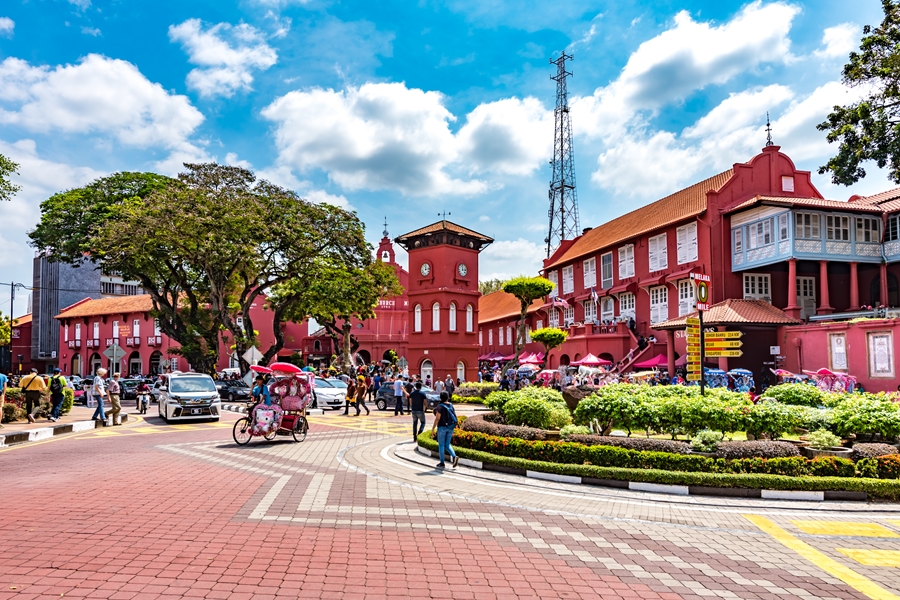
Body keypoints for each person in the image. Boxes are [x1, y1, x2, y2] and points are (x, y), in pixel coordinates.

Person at [431, 392, 458, 469]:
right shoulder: (451, 405)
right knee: (447, 444)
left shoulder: (440, 406)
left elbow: (437, 418)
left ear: (440, 397)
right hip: (450, 427)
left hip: (442, 427)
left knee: (441, 445)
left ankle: (442, 462)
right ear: (448, 397)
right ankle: (454, 456)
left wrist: (433, 429)